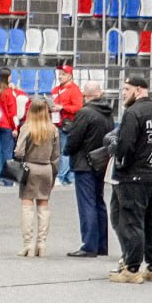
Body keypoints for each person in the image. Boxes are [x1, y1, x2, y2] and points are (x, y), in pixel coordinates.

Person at [109, 76, 152, 280]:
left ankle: (132, 268)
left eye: (126, 89)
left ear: (138, 90)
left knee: (131, 221)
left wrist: (121, 161)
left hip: (134, 177)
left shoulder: (133, 113)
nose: (123, 93)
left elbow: (124, 145)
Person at [62, 75, 115, 258]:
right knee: (99, 201)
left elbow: (74, 139)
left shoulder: (85, 113)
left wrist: (67, 149)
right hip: (101, 161)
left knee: (87, 204)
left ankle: (89, 245)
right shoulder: (108, 113)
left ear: (85, 94)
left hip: (84, 162)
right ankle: (101, 244)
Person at [10, 96, 63, 257]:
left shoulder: (27, 127)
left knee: (27, 206)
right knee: (43, 206)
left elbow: (19, 151)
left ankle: (28, 244)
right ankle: (42, 243)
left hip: (30, 168)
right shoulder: (53, 129)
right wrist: (54, 174)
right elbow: (56, 156)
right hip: (46, 168)